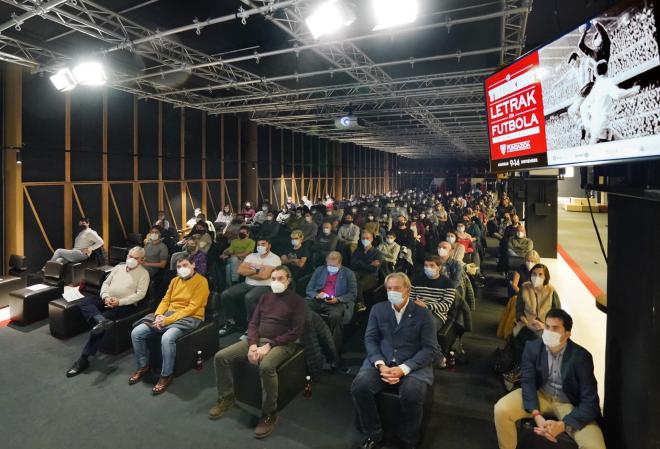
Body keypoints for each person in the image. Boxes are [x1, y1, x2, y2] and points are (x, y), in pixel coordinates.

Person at [210, 266, 306, 439]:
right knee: (221, 357)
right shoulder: (265, 297)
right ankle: (227, 398)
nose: (276, 282)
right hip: (257, 340)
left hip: (283, 343)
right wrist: (253, 344)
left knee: (266, 366)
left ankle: (270, 413)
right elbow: (253, 323)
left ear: (289, 280)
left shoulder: (297, 301)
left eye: (281, 278)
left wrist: (269, 345)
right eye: (274, 278)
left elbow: (296, 331)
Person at [494, 309, 605, 449]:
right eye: (547, 327)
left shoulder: (581, 357)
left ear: (567, 333)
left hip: (569, 403)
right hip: (541, 394)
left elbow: (590, 402)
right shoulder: (533, 348)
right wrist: (536, 415)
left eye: (555, 328)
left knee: (595, 446)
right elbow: (528, 382)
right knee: (501, 409)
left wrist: (563, 425)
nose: (548, 332)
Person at [351, 272, 439, 449]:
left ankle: (408, 439)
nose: (392, 292)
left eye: (397, 288)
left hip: (413, 364)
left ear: (407, 289)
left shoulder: (423, 314)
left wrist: (403, 369)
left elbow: (430, 349)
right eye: (389, 288)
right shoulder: (378, 309)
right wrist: (380, 364)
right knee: (359, 387)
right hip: (382, 361)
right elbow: (370, 339)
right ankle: (373, 433)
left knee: (413, 394)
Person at [129, 256, 209, 394]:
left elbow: (192, 307)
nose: (181, 269)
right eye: (178, 266)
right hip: (168, 315)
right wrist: (159, 315)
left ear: (193, 265)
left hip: (191, 317)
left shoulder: (202, 281)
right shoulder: (174, 280)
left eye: (185, 265)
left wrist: (167, 321)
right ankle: (143, 366)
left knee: (167, 337)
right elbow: (166, 300)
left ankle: (166, 374)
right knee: (136, 332)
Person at [66, 247, 150, 377]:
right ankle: (101, 320)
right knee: (85, 302)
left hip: (124, 305)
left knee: (99, 328)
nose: (131, 259)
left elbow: (140, 295)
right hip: (107, 299)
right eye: (130, 256)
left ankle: (84, 359)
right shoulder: (118, 268)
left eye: (135, 258)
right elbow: (105, 283)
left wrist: (119, 302)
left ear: (142, 260)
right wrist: (106, 297)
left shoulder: (144, 274)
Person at [218, 239, 281, 336]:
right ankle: (230, 322)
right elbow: (240, 271)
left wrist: (250, 271)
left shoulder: (275, 258)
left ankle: (252, 326)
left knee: (250, 297)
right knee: (226, 294)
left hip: (265, 286)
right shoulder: (251, 256)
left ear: (269, 246)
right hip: (247, 283)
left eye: (263, 244)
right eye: (259, 244)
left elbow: (264, 276)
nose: (260, 246)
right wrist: (257, 271)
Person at [305, 251, 358, 352]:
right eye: (329, 265)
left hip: (337, 302)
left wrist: (338, 299)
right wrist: (316, 295)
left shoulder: (348, 273)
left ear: (340, 264)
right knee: (301, 307)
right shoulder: (319, 270)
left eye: (334, 265)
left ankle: (334, 349)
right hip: (319, 299)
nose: (331, 267)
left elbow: (352, 294)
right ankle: (308, 340)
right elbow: (309, 289)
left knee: (335, 316)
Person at [513, 264, 561, 360]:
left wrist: (545, 326)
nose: (537, 277)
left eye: (540, 275)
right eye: (534, 274)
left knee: (536, 339)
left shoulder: (551, 291)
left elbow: (558, 315)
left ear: (545, 277)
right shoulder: (524, 287)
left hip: (546, 326)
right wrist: (527, 323)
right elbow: (519, 311)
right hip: (526, 324)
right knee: (528, 338)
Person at [411, 255, 458, 332]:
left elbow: (445, 306)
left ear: (439, 268)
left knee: (424, 326)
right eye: (426, 265)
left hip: (436, 315)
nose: (428, 268)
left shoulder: (448, 283)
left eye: (431, 265)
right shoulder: (416, 280)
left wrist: (427, 306)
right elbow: (410, 298)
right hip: (416, 311)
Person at [350, 231, 383, 307]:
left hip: (371, 276)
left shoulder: (377, 253)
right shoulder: (357, 250)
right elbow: (352, 265)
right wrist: (369, 264)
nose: (365, 240)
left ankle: (360, 303)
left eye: (367, 238)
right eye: (363, 238)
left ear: (371, 239)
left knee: (359, 284)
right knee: (349, 278)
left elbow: (374, 269)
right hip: (357, 273)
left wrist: (360, 263)